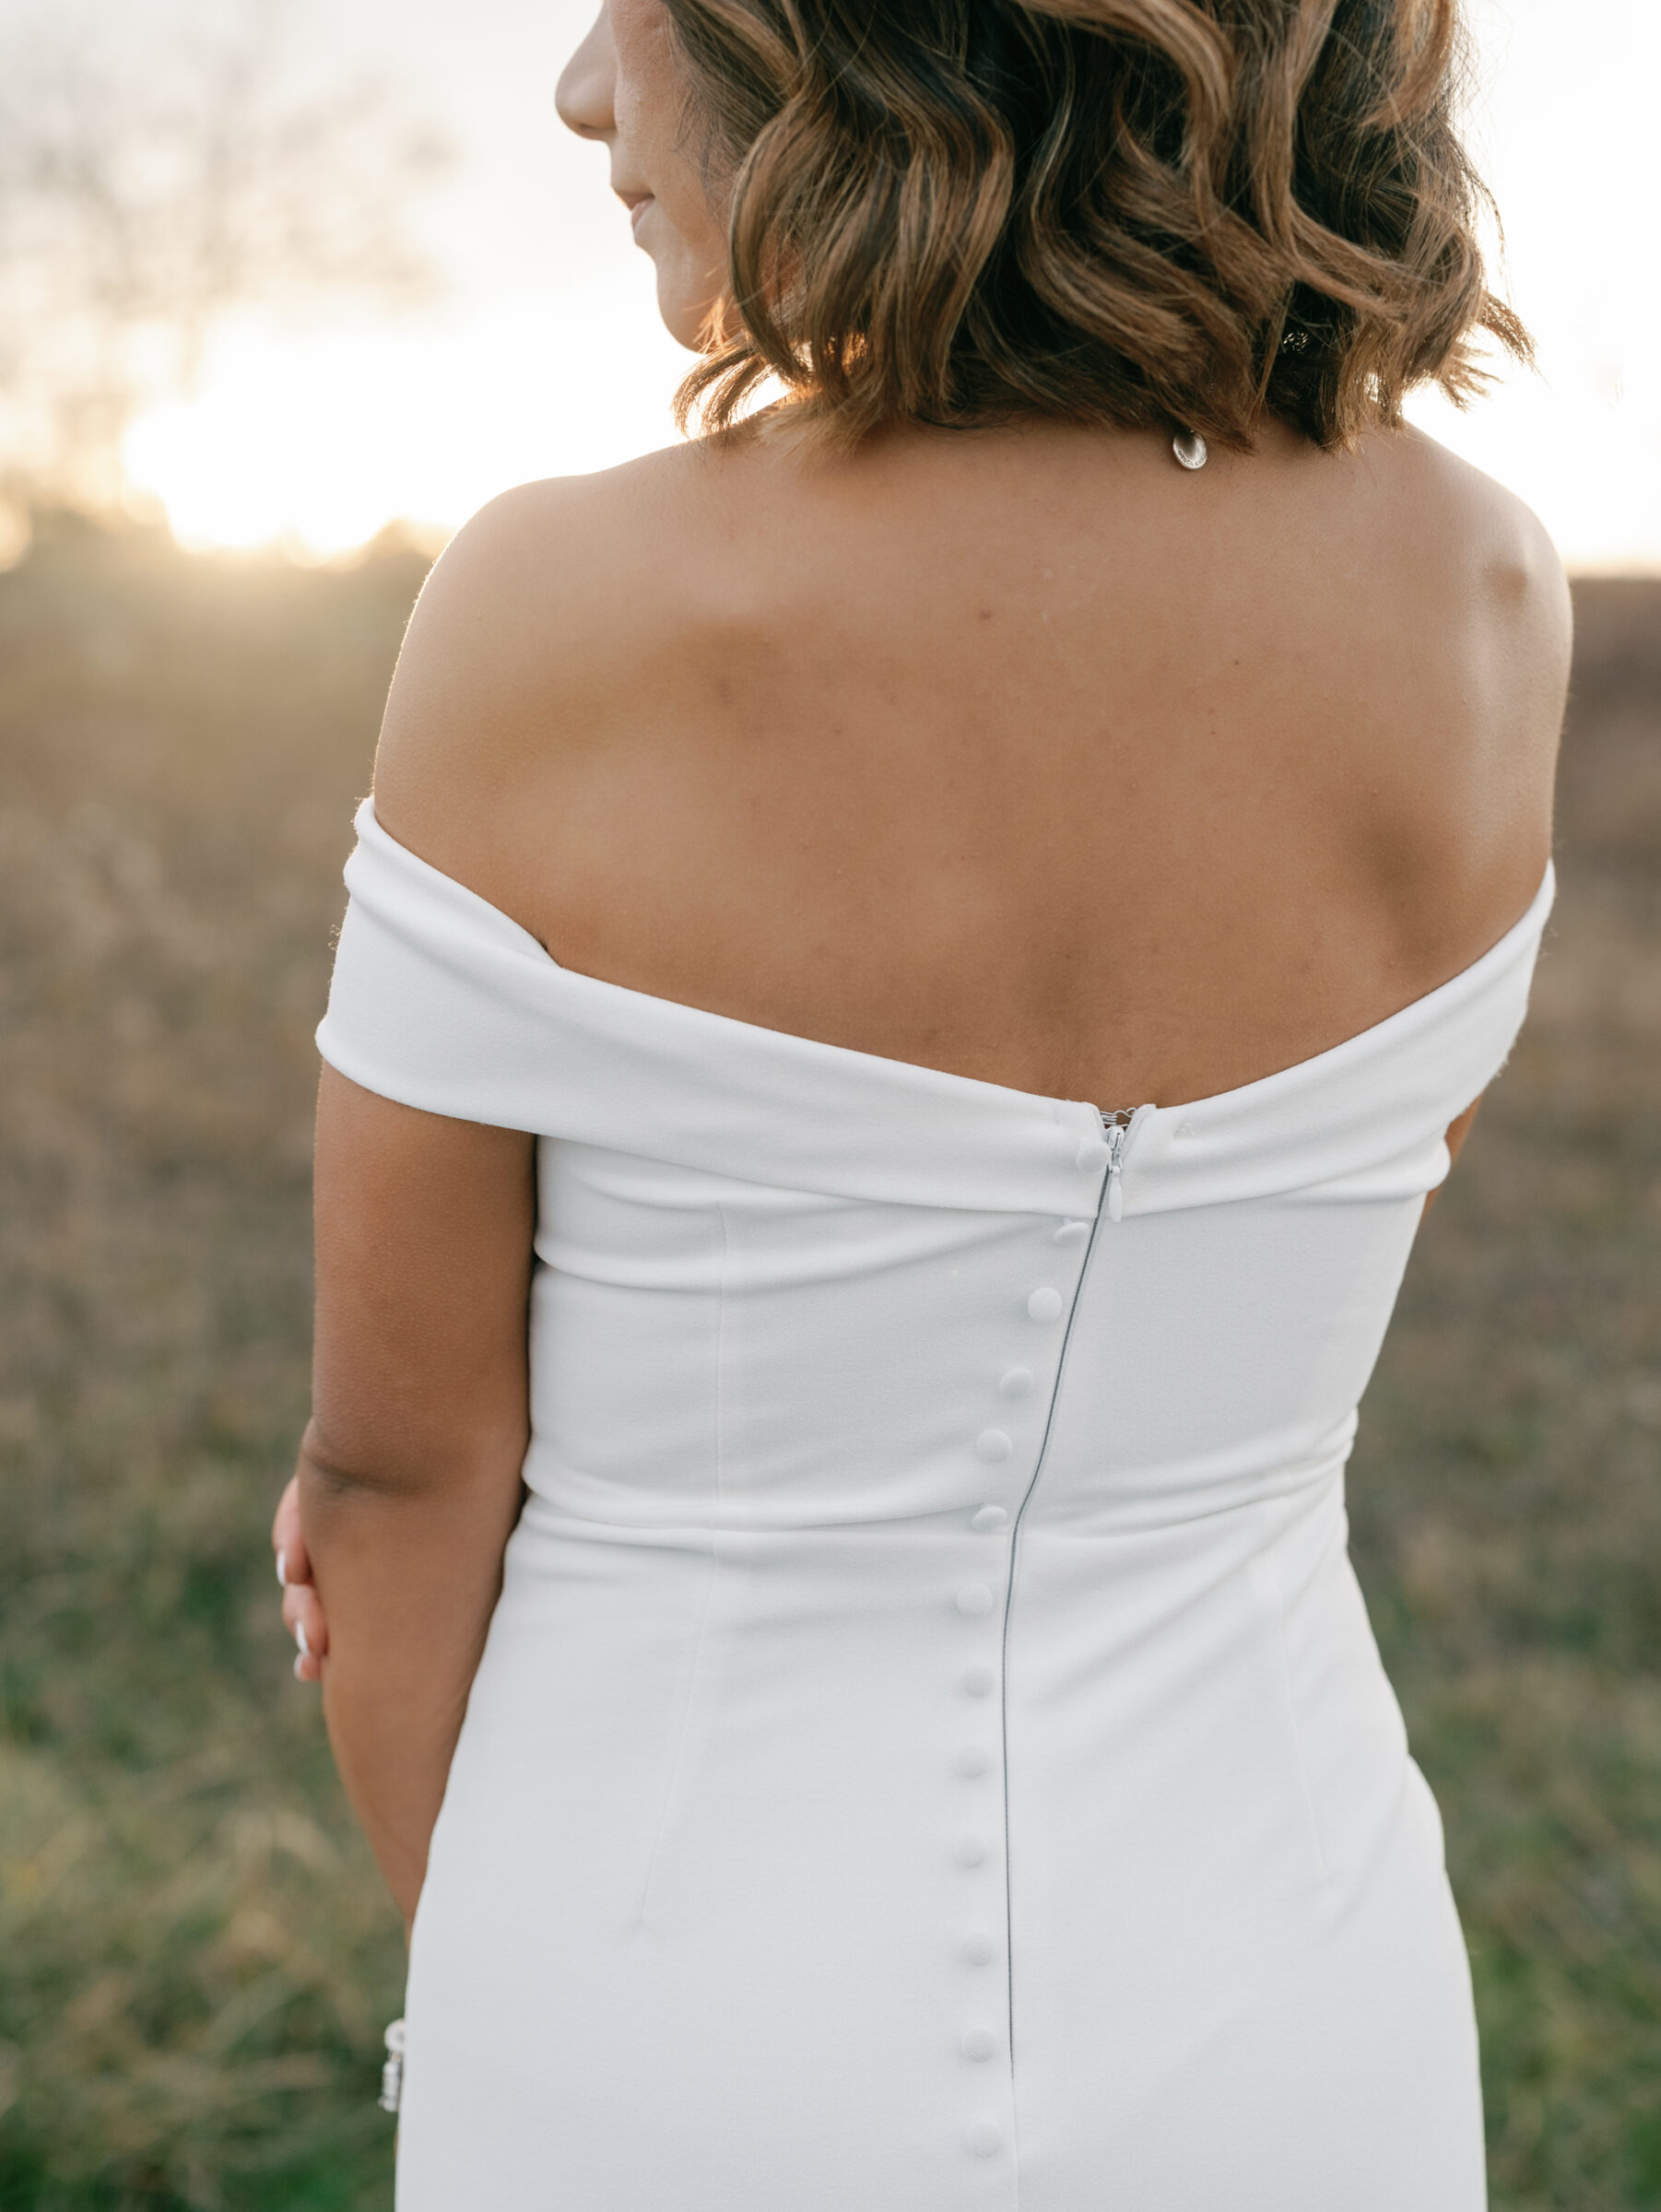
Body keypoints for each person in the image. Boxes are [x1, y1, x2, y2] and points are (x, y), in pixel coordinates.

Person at [270, 1, 1569, 2203]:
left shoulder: (557, 604)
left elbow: (394, 1488)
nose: (584, 87)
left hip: (661, 2015)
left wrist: (529, 1998)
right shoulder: (1484, 591)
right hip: (1297, 1990)